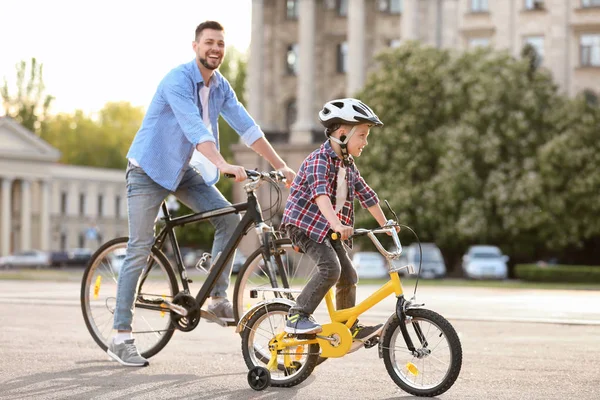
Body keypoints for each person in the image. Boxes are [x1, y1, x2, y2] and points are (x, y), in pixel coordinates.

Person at [107, 21, 296, 367]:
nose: (216, 49)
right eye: (209, 42)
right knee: (140, 247)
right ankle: (120, 335)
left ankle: (218, 297)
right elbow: (194, 129)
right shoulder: (177, 81)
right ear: (195, 46)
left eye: (221, 44)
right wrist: (222, 163)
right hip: (147, 172)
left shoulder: (220, 86)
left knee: (229, 220)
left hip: (180, 171)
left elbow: (247, 126)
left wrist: (281, 165)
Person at [280, 98, 395, 351]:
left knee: (349, 274)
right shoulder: (319, 160)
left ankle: (347, 324)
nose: (365, 142)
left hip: (326, 229)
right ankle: (297, 315)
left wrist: (385, 223)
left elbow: (367, 195)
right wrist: (337, 224)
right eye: (362, 135)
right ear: (342, 134)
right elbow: (320, 195)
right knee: (330, 269)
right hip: (304, 225)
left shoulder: (348, 165)